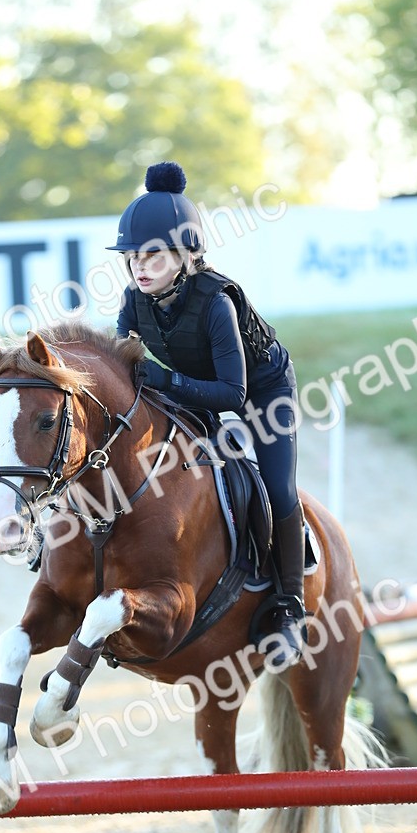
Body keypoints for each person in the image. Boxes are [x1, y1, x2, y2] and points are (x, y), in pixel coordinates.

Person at [108, 161, 306, 671]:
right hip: (199, 391)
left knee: (279, 488)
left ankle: (289, 607)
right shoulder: (134, 303)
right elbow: (128, 379)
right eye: (132, 257)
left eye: (152, 255)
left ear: (185, 255)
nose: (139, 267)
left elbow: (233, 395)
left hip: (261, 392)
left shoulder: (216, 303)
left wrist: (165, 380)